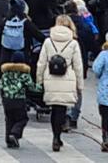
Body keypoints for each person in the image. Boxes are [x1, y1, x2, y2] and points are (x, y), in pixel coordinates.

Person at [39, 13, 85, 151]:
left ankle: (55, 136)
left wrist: (39, 79)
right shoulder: (73, 43)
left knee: (54, 109)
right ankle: (58, 137)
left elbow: (41, 63)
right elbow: (78, 65)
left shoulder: (48, 41)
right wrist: (80, 85)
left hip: (50, 78)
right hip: (67, 78)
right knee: (62, 109)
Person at [0, 50, 41, 149]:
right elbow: (32, 88)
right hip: (19, 100)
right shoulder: (24, 75)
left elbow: (1, 86)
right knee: (22, 119)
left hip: (7, 100)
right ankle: (15, 134)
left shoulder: (5, 74)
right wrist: (42, 87)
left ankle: (9, 140)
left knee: (9, 120)